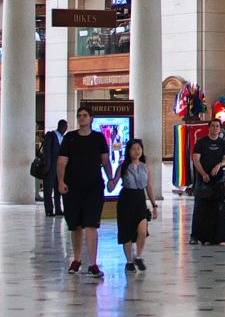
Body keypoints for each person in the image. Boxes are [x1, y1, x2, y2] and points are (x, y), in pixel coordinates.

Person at [56, 106, 112, 279]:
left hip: (94, 187)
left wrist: (111, 179)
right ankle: (77, 259)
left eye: (85, 115)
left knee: (91, 225)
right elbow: (61, 162)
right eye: (79, 115)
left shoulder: (98, 138)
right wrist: (61, 182)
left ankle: (93, 263)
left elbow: (105, 161)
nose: (82, 118)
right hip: (73, 188)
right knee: (76, 226)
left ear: (91, 118)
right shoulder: (70, 138)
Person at [115, 137, 158, 267]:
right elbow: (112, 183)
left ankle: (138, 256)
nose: (136, 151)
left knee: (142, 231)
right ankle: (129, 260)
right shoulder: (123, 167)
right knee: (126, 231)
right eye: (133, 149)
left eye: (139, 148)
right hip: (126, 199)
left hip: (140, 199)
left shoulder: (145, 167)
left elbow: (148, 186)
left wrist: (154, 204)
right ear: (128, 151)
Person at [190, 122, 225, 246]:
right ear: (209, 128)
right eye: (213, 126)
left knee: (217, 207)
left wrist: (219, 165)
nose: (215, 128)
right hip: (203, 180)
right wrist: (203, 174)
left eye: (217, 126)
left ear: (220, 129)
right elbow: (196, 159)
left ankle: (215, 235)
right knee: (199, 208)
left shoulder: (223, 143)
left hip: (218, 182)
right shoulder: (201, 142)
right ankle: (194, 235)